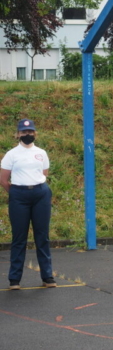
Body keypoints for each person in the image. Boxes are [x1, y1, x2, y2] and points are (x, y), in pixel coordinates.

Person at [0, 119, 55, 290]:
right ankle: (14, 279)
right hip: (19, 195)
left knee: (42, 236)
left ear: (35, 133)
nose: (27, 135)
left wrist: (34, 188)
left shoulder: (41, 153)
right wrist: (17, 193)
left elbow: (43, 174)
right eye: (24, 132)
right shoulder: (12, 154)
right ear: (18, 134)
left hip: (40, 194)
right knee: (19, 238)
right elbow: (3, 179)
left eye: (30, 132)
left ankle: (47, 276)